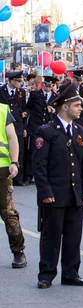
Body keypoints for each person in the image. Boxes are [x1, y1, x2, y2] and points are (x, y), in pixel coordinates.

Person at [33, 84, 83, 288]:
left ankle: (71, 273)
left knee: (73, 235)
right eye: (77, 105)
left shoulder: (80, 131)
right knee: (51, 235)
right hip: (55, 194)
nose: (80, 109)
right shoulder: (47, 131)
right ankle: (46, 274)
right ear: (64, 107)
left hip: (75, 193)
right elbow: (39, 165)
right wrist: (44, 191)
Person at [0, 98, 26, 269]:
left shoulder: (2, 110)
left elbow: (12, 137)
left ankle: (18, 252)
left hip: (1, 168)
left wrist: (14, 162)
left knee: (8, 213)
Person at [0, 71, 28, 186]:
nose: (20, 84)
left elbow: (23, 108)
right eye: (18, 81)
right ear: (11, 81)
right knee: (8, 147)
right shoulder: (2, 91)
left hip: (18, 123)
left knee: (19, 150)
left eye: (21, 81)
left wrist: (24, 119)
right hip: (5, 122)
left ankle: (18, 177)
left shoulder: (21, 92)